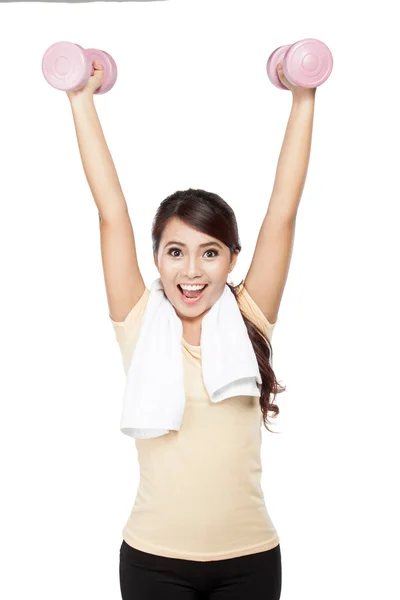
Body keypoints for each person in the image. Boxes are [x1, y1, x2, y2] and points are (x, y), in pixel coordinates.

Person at [66, 58, 316, 600]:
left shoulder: (249, 317)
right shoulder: (139, 319)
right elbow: (111, 211)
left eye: (211, 253)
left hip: (250, 560)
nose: (193, 271)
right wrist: (80, 100)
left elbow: (283, 214)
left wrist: (303, 98)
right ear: (155, 257)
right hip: (154, 562)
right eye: (175, 252)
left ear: (231, 260)